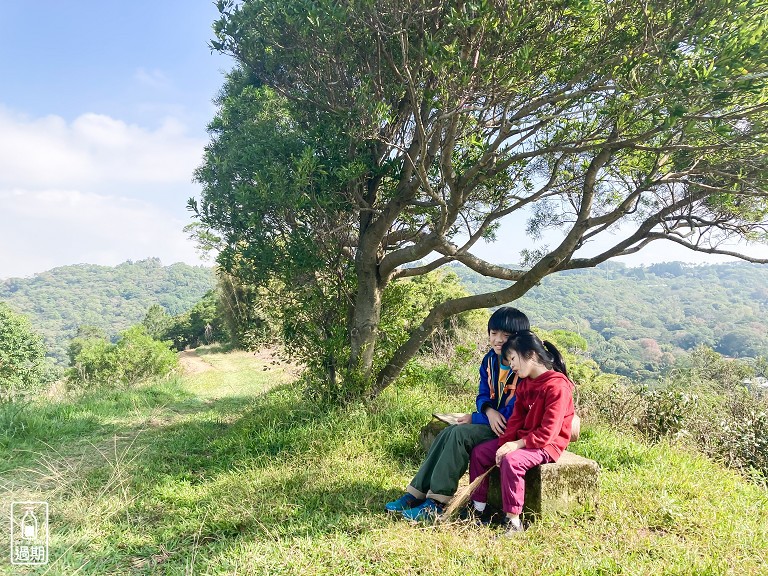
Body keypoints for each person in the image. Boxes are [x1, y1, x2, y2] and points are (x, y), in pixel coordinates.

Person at [384, 306, 530, 521]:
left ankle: (436, 503)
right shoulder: (490, 360)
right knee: (447, 432)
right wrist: (487, 411)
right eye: (493, 333)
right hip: (491, 422)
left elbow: (515, 411)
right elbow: (482, 394)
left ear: (519, 338)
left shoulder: (523, 368)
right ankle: (415, 494)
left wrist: (478, 417)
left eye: (505, 335)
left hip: (510, 430)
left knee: (459, 435)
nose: (498, 340)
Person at [468, 331, 575, 536]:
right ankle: (478, 509)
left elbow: (548, 433)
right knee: (480, 453)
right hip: (524, 440)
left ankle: (513, 521)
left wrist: (515, 446)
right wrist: (505, 444)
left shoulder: (557, 387)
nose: (512, 366)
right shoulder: (525, 383)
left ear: (531, 355)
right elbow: (516, 419)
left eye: (513, 359)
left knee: (512, 461)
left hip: (546, 445)